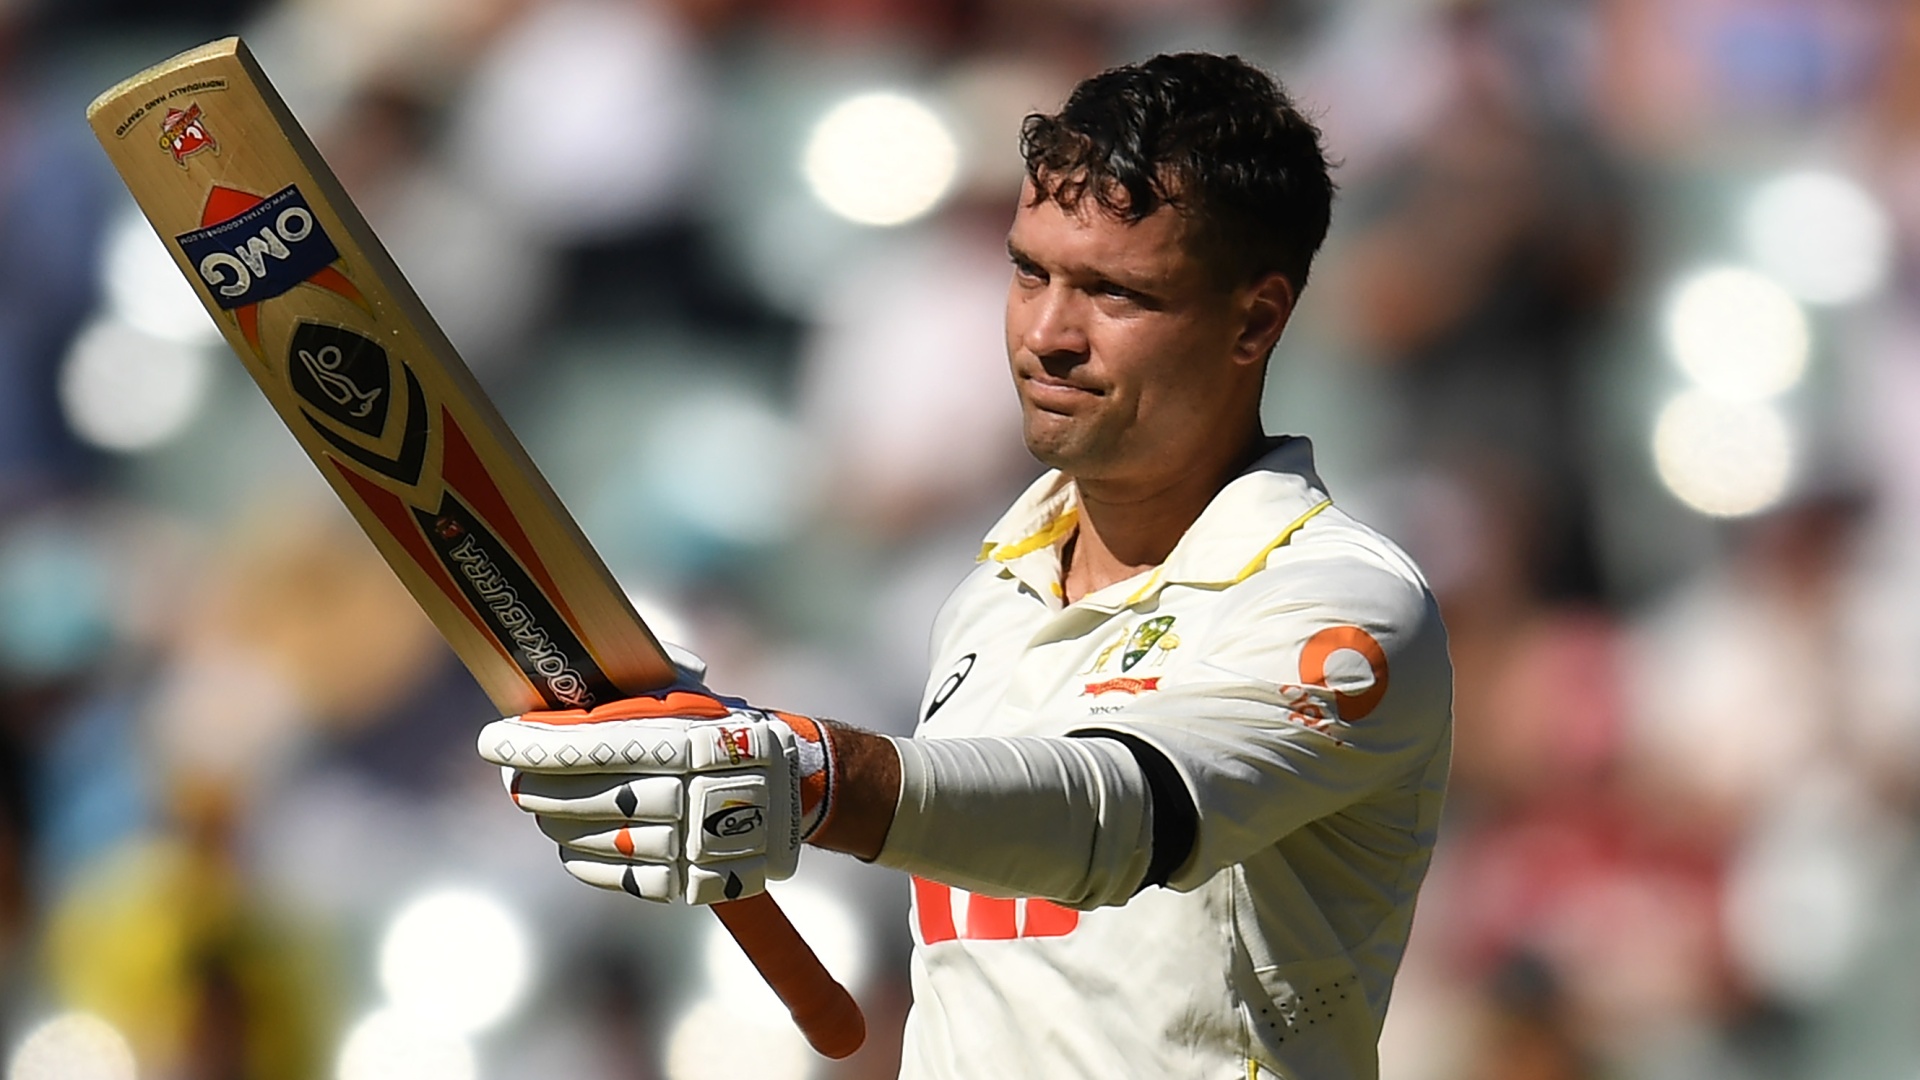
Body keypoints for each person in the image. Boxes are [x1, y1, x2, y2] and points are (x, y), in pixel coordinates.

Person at [479, 52, 1453, 1079]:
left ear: (1255, 319)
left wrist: (805, 775)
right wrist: (695, 736)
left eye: (1115, 293)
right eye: (1030, 271)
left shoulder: (1340, 602)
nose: (1047, 334)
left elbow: (1111, 814)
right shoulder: (990, 593)